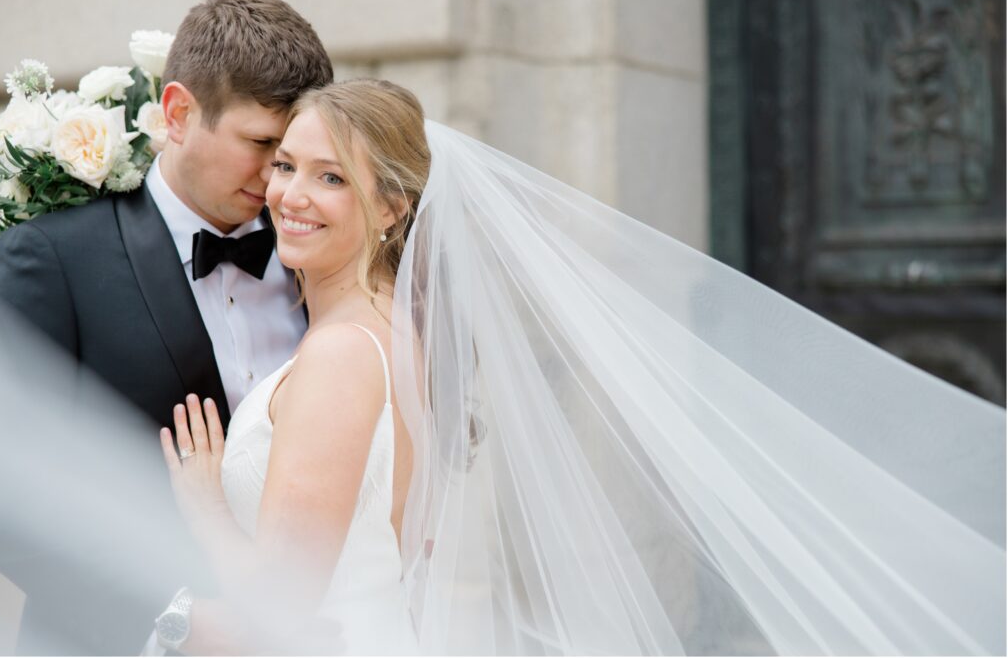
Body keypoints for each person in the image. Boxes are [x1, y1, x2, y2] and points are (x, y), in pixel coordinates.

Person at [161, 77, 1005, 656]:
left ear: (391, 207)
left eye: (331, 177)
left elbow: (278, 606)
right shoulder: (398, 336)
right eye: (284, 165)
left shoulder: (345, 355)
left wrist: (201, 501)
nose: (289, 194)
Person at [0, 0, 332, 655]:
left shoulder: (323, 260)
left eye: (295, 150)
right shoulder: (53, 258)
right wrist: (172, 616)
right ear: (178, 112)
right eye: (260, 143)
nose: (283, 177)